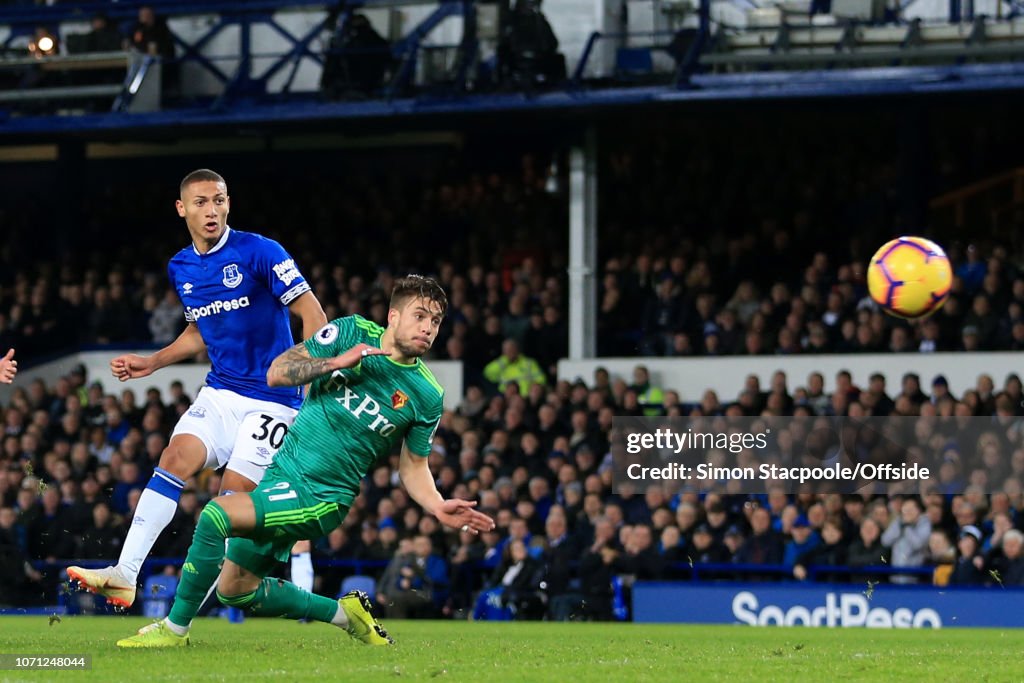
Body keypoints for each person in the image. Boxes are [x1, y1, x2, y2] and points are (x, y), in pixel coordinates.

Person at [115, 275, 494, 647]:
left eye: (436, 321)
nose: (428, 328)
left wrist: (438, 505)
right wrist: (336, 363)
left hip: (322, 496)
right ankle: (346, 615)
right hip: (281, 473)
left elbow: (413, 466)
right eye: (420, 316)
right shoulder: (348, 333)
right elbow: (277, 372)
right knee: (235, 590)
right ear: (393, 316)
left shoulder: (427, 394)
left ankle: (174, 630)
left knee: (216, 516)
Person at [67, 169, 327, 608]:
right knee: (172, 460)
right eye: (202, 202)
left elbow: (312, 312)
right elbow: (198, 331)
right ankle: (125, 574)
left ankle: (203, 606)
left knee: (229, 500)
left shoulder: (261, 252)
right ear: (181, 208)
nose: (212, 210)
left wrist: (305, 371)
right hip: (221, 391)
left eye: (220, 200)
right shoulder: (181, 266)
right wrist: (152, 361)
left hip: (274, 400)